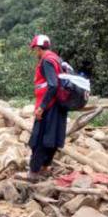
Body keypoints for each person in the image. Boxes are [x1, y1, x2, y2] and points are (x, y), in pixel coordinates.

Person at [28, 34, 68, 179]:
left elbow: (52, 85)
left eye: (35, 50)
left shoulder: (46, 61)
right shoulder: (57, 59)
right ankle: (45, 168)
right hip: (59, 104)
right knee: (52, 137)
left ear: (38, 48)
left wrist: (42, 107)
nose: (35, 53)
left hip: (49, 105)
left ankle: (34, 172)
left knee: (39, 138)